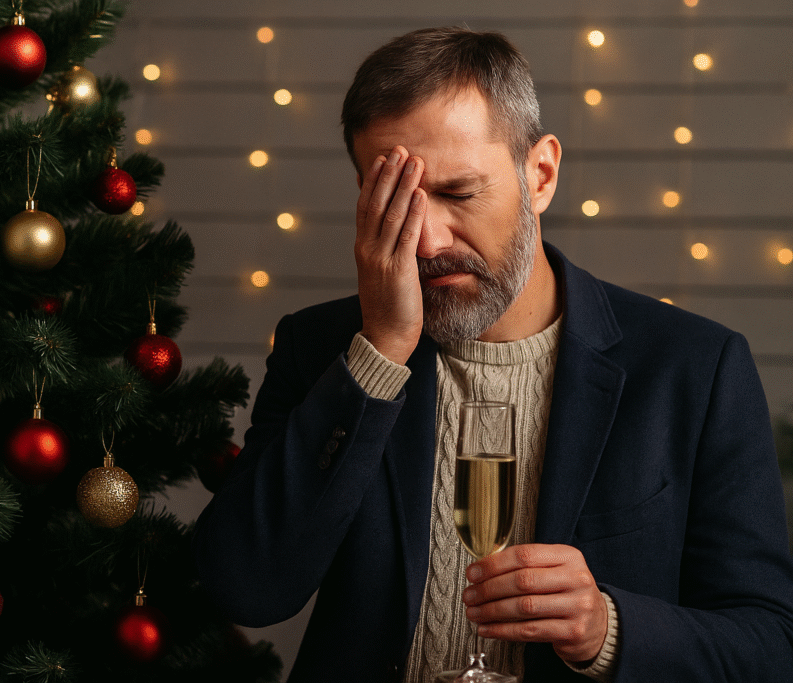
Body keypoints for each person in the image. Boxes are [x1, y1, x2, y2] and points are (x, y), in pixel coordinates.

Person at [192, 27, 793, 683]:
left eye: (457, 193)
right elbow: (244, 588)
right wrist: (380, 353)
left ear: (540, 175)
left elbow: (769, 643)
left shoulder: (695, 369)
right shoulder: (323, 349)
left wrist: (607, 628)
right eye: (396, 200)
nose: (425, 240)